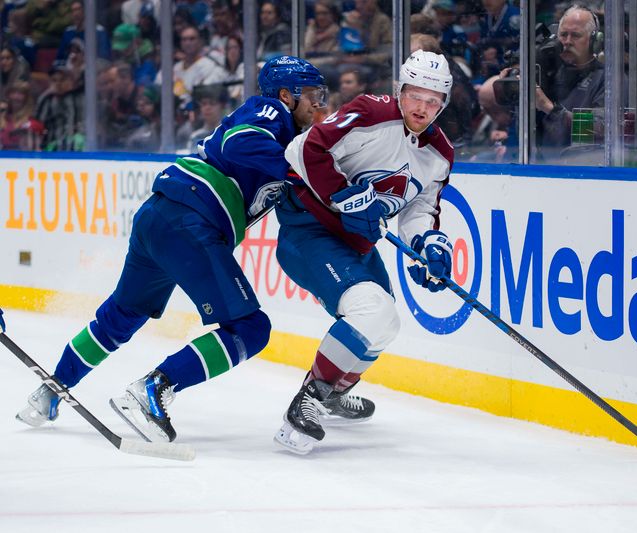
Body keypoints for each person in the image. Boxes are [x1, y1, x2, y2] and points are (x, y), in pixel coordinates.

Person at [16, 56, 328, 443]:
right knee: (251, 328)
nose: (321, 104)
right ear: (286, 95)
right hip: (191, 217)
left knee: (123, 313)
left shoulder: (293, 141)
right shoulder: (270, 111)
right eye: (314, 95)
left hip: (163, 214)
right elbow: (240, 142)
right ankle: (153, 389)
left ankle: (49, 389)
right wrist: (300, 173)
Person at [272, 49, 455, 455]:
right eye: (415, 95)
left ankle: (335, 389)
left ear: (444, 103)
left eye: (433, 100)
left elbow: (420, 207)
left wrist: (428, 242)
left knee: (385, 322)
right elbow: (302, 151)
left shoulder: (440, 154)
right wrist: (344, 198)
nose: (422, 107)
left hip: (355, 243)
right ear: (400, 90)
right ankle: (308, 401)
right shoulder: (370, 112)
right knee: (370, 311)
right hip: (311, 231)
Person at [532, 5, 607, 155]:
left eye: (576, 35)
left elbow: (601, 130)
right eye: (563, 34)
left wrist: (549, 108)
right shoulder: (547, 72)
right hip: (541, 165)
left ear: (595, 40)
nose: (567, 41)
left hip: (583, 166)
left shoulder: (607, 79)